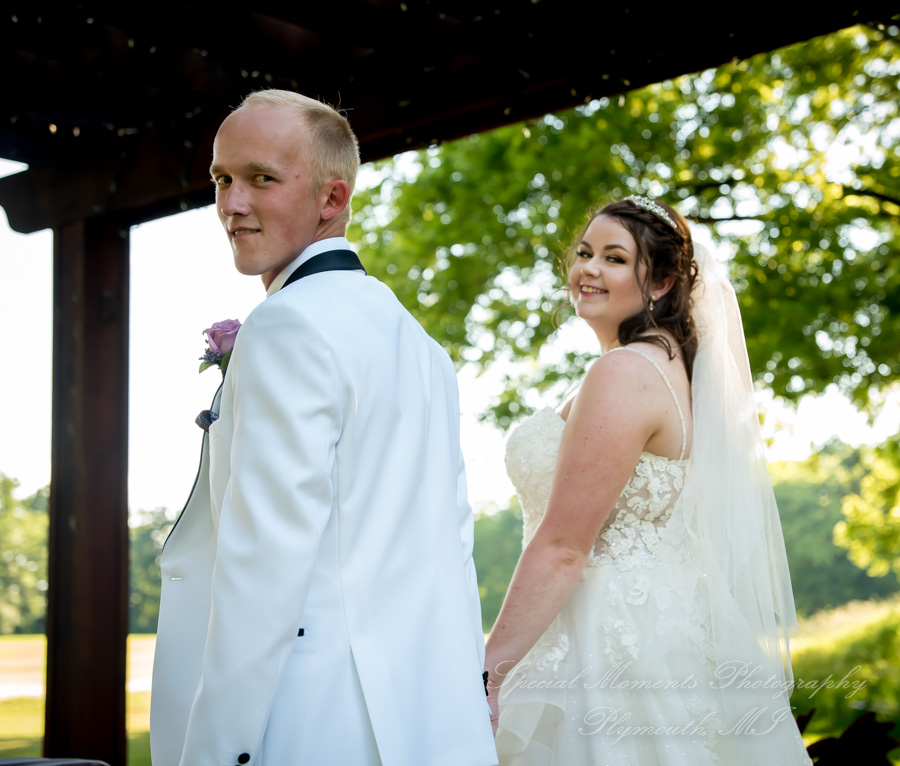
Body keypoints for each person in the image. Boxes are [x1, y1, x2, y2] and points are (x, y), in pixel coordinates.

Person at [150, 89, 498, 766]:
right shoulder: (419, 345)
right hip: (420, 721)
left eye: (261, 179)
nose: (231, 204)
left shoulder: (286, 325)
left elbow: (263, 568)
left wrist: (218, 753)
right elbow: (451, 554)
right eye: (222, 178)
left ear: (331, 200)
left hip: (304, 722)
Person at [484, 197, 813, 764]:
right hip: (662, 627)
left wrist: (488, 671)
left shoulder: (625, 372)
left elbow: (564, 546)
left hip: (606, 645)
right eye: (585, 252)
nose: (588, 269)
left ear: (660, 284)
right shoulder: (665, 367)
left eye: (614, 258)